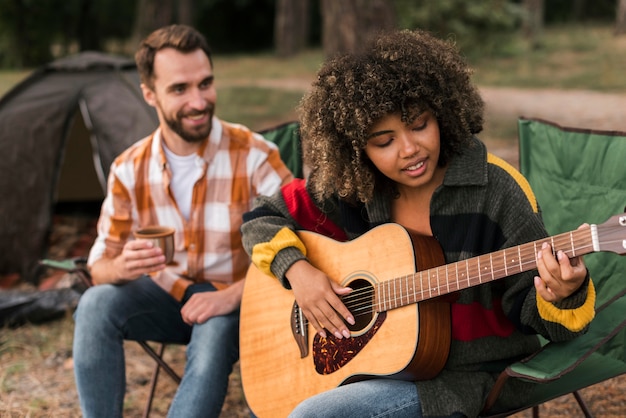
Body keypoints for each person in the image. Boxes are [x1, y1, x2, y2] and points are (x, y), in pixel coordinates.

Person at [240, 29, 594, 417]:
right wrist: (299, 272)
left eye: (419, 124)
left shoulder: (497, 191)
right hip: (377, 366)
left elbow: (540, 317)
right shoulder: (355, 184)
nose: (409, 149)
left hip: (465, 378)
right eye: (384, 141)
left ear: (443, 113)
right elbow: (261, 218)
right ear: (357, 150)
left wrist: (562, 293)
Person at [72, 24, 293, 418]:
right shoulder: (128, 169)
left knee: (211, 340)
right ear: (149, 94)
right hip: (167, 300)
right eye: (179, 89)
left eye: (205, 84)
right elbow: (98, 266)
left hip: (239, 303)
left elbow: (306, 240)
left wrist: (230, 296)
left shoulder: (255, 155)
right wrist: (122, 266)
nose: (198, 101)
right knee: (94, 303)